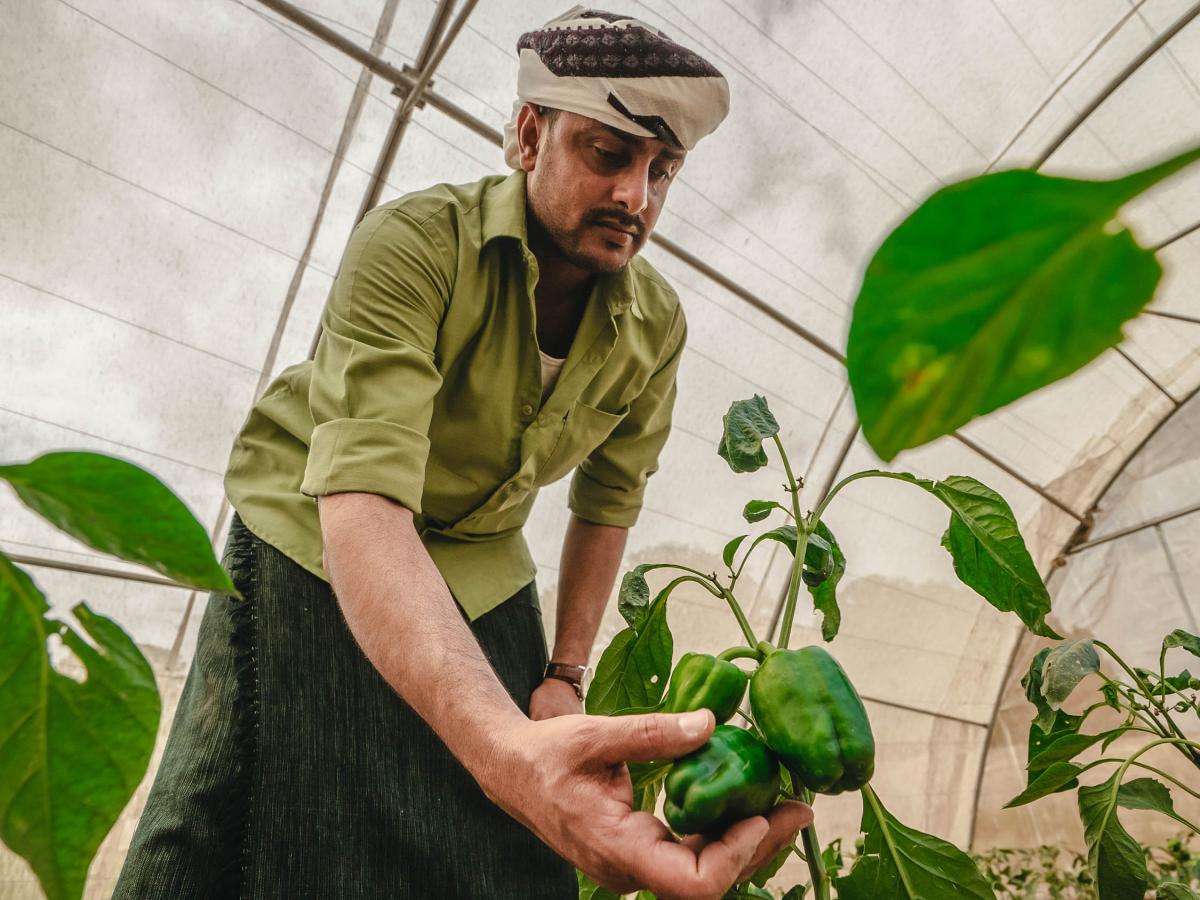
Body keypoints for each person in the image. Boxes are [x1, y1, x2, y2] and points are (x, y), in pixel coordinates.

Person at [114, 7, 810, 899]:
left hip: (482, 560)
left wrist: (563, 675)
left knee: (506, 849)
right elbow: (364, 505)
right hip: (316, 537)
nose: (636, 197)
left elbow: (609, 499)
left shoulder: (657, 324)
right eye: (607, 154)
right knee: (269, 814)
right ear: (530, 133)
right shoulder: (411, 245)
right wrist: (505, 752)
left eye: (661, 170)